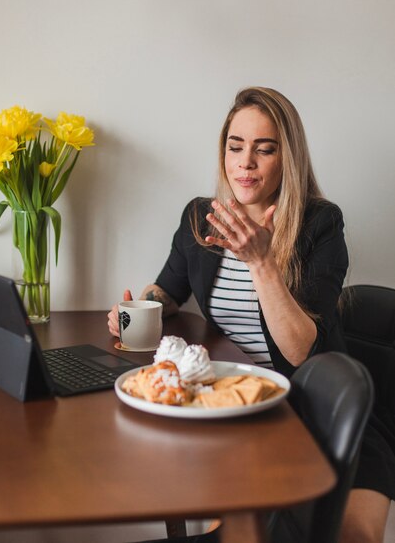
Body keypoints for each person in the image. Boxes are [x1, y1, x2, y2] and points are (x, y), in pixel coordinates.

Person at [108, 87, 394, 543]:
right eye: (235, 145)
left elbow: (302, 350)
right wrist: (142, 309)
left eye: (265, 149)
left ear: (288, 158)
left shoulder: (321, 224)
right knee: (242, 532)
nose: (246, 162)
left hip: (325, 415)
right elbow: (168, 290)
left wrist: (261, 262)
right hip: (245, 414)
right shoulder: (202, 219)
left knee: (352, 537)